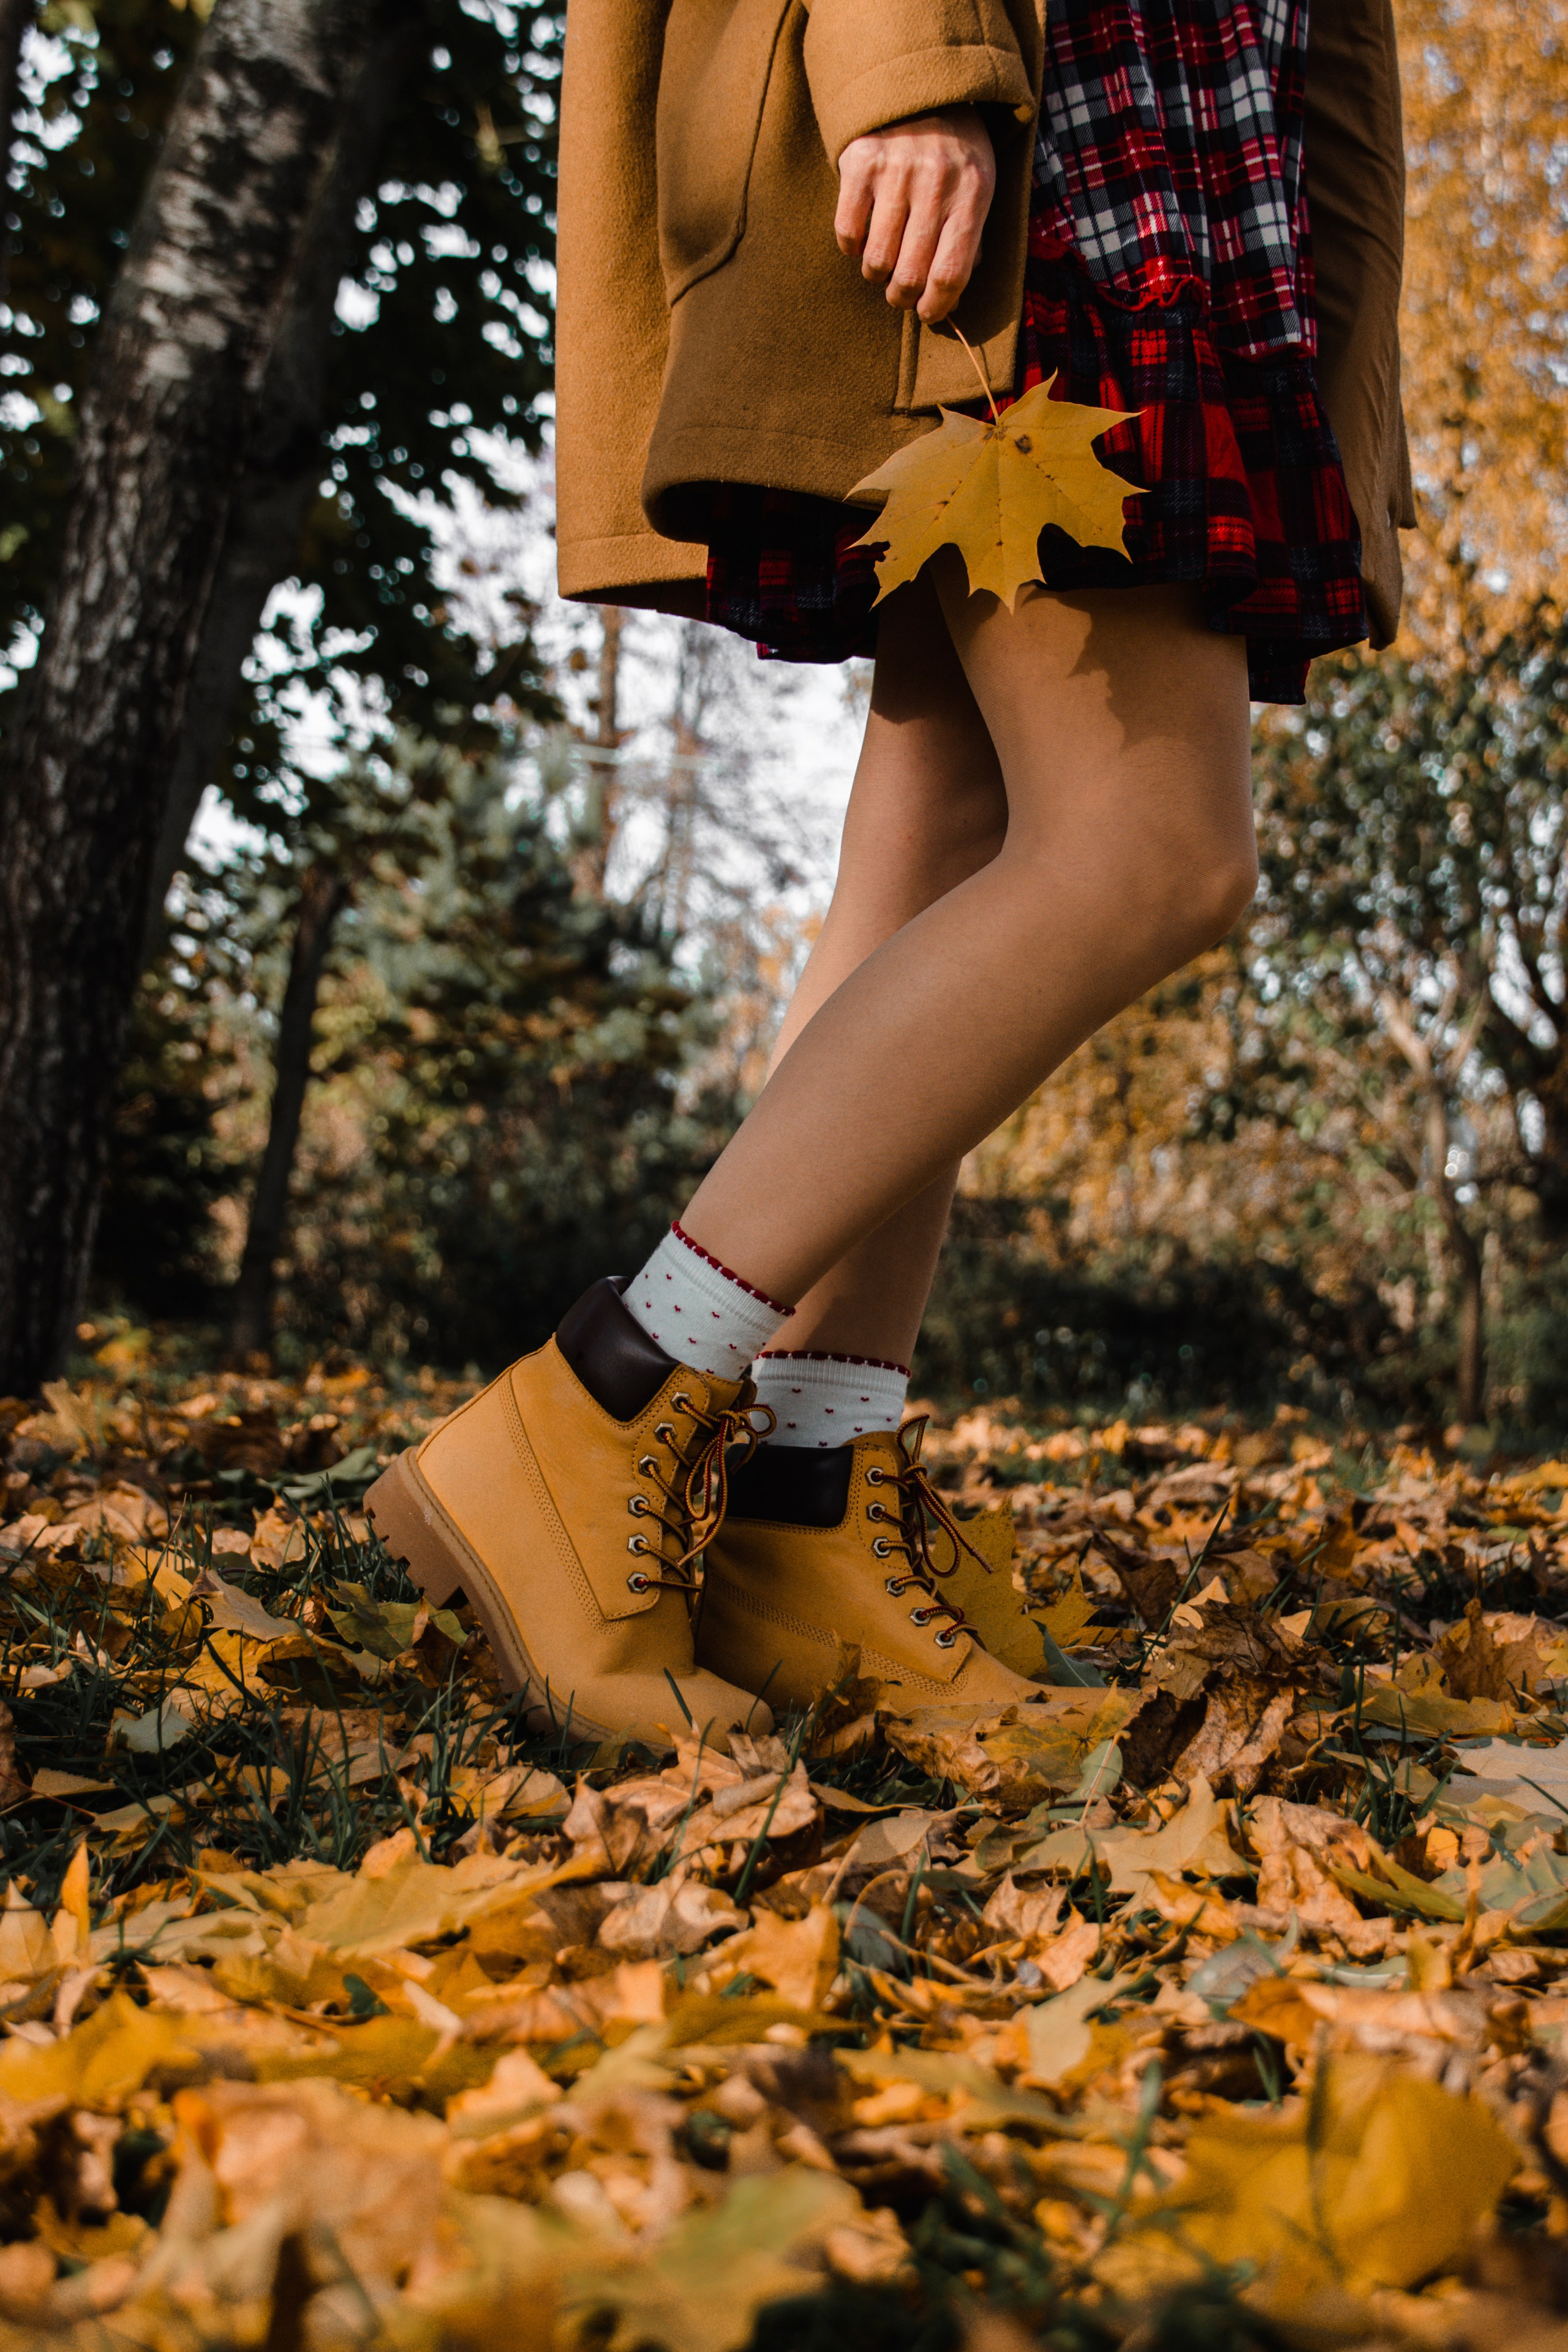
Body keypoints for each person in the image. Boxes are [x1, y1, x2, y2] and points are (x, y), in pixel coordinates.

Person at [366, 0, 1413, 1748]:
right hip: (1049, 127)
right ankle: (599, 1402)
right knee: (1153, 850)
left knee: (955, 827)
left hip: (1183, 153)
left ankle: (802, 1510)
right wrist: (904, 65)